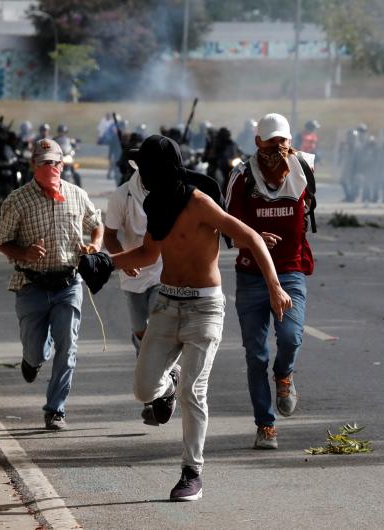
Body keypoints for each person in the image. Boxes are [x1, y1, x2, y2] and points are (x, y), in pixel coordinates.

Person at [103, 134, 292, 501]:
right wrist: (103, 262)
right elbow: (146, 254)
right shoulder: (156, 205)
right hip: (167, 304)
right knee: (144, 389)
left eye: (146, 165)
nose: (140, 171)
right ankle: (167, 384)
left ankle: (192, 472)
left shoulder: (200, 202)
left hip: (204, 307)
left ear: (162, 169)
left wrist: (274, 286)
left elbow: (250, 236)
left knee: (195, 391)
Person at [0, 137, 103, 431]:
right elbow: (2, 242)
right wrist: (25, 253)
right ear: (33, 165)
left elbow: (96, 224)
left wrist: (94, 245)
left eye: (54, 162)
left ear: (62, 163)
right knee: (36, 350)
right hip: (31, 284)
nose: (49, 167)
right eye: (43, 163)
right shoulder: (17, 200)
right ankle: (32, 360)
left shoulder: (76, 195)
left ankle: (56, 410)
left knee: (68, 346)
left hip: (68, 284)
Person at [224, 113, 315, 451]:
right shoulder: (241, 176)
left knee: (290, 337)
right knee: (255, 355)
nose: (278, 147)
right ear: (258, 142)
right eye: (271, 141)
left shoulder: (304, 168)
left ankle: (285, 375)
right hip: (251, 276)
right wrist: (253, 238)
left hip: (290, 272)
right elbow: (226, 228)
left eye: (283, 140)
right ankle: (265, 425)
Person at [103, 165, 162, 425]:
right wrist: (123, 261)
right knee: (142, 334)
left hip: (162, 271)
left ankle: (157, 395)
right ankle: (151, 386)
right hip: (132, 274)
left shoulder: (168, 191)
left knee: (160, 331)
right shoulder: (122, 195)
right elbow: (109, 236)